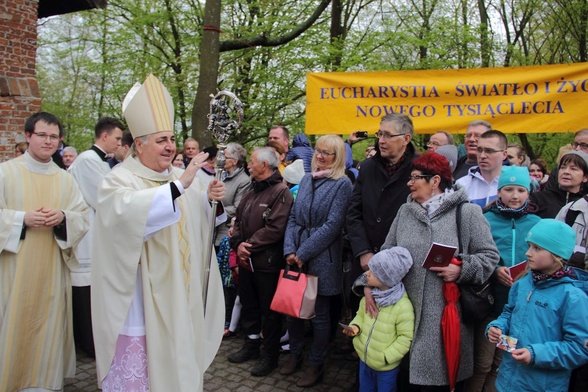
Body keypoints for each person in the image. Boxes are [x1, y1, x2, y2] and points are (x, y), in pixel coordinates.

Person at [91, 74, 227, 391]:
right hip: (139, 295)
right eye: (161, 140)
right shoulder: (119, 180)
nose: (170, 147)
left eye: (171, 139)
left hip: (182, 290)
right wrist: (181, 187)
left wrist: (211, 201)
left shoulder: (184, 176)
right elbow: (125, 220)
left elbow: (204, 225)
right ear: (138, 145)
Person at [376, 152, 500, 390]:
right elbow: (387, 251)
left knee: (438, 383)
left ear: (435, 181)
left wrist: (460, 269)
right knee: (404, 379)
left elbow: (489, 257)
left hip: (446, 318)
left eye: (415, 178)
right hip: (403, 315)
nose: (409, 183)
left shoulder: (467, 213)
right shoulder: (405, 211)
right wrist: (370, 284)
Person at [0, 111, 90, 391]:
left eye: (54, 137)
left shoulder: (65, 179)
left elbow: (83, 216)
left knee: (48, 324)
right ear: (28, 136)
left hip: (52, 268)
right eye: (42, 135)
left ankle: (45, 384)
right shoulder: (6, 172)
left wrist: (63, 217)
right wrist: (20, 219)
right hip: (13, 269)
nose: (48, 141)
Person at [281, 135, 353, 387]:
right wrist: (290, 249)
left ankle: (316, 364)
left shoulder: (342, 184)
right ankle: (295, 354)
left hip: (322, 258)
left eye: (327, 153)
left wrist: (302, 253)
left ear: (338, 158)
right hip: (296, 252)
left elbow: (333, 226)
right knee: (294, 311)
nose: (320, 156)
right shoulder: (305, 178)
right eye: (318, 151)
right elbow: (293, 219)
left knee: (320, 314)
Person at [487, 219, 588, 392]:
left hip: (542, 386)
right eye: (529, 246)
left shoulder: (573, 297)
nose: (528, 253)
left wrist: (535, 354)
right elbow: (509, 312)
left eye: (537, 248)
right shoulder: (522, 283)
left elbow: (579, 348)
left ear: (557, 254)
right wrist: (497, 327)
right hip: (507, 381)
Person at [466, 166, 540, 392]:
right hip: (491, 302)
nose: (514, 196)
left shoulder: (536, 222)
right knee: (483, 362)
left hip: (519, 306)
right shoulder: (486, 218)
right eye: (508, 189)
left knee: (500, 362)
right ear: (499, 192)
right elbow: (473, 252)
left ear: (528, 193)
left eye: (520, 190)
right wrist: (496, 268)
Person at [228, 147, 294, 377]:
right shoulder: (250, 192)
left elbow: (276, 228)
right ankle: (251, 345)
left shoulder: (281, 193)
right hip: (247, 262)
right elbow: (237, 222)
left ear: (264, 165)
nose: (248, 165)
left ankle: (270, 356)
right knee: (250, 306)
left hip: (267, 264)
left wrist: (250, 246)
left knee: (270, 312)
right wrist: (238, 244)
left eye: (252, 162)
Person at [68, 117, 124, 358]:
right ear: (105, 136)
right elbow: (100, 197)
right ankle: (87, 343)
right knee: (85, 290)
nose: (120, 143)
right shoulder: (88, 160)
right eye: (118, 138)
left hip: (98, 230)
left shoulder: (100, 161)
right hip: (88, 234)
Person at [343, 247, 415, 392]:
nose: (367, 274)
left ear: (386, 277)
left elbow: (405, 338)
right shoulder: (370, 297)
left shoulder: (402, 307)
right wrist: (355, 327)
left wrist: (386, 357)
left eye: (373, 272)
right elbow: (360, 315)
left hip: (385, 368)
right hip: (365, 359)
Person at [214, 142, 252, 334]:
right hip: (214, 233)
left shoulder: (244, 180)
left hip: (226, 235)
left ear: (235, 161)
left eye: (225, 157)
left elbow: (238, 208)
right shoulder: (219, 175)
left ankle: (227, 322)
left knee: (227, 283)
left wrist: (215, 209)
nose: (221, 160)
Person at [456, 130, 508, 208]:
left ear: (504, 155)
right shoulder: (462, 184)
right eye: (479, 150)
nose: (482, 156)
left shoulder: (517, 183)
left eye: (489, 151)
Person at [530, 150, 588, 218]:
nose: (566, 172)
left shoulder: (585, 204)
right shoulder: (538, 199)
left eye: (573, 169)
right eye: (563, 167)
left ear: (585, 177)